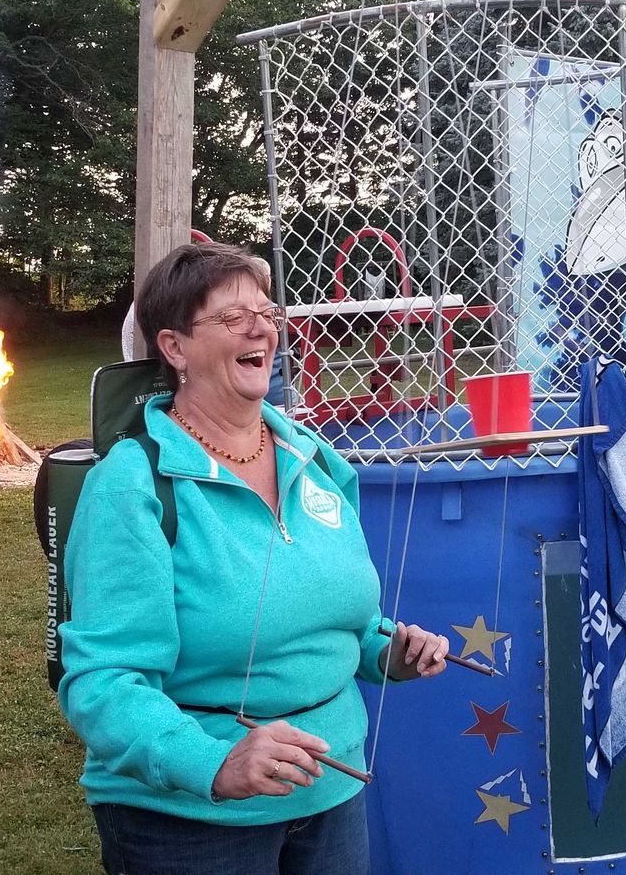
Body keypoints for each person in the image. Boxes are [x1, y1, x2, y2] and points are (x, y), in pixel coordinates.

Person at [56, 242, 451, 875]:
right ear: (175, 347)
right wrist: (213, 763)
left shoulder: (315, 459)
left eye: (266, 311)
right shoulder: (132, 485)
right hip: (191, 824)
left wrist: (386, 653)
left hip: (331, 792)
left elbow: (343, 618)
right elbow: (103, 681)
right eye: (232, 316)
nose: (260, 327)